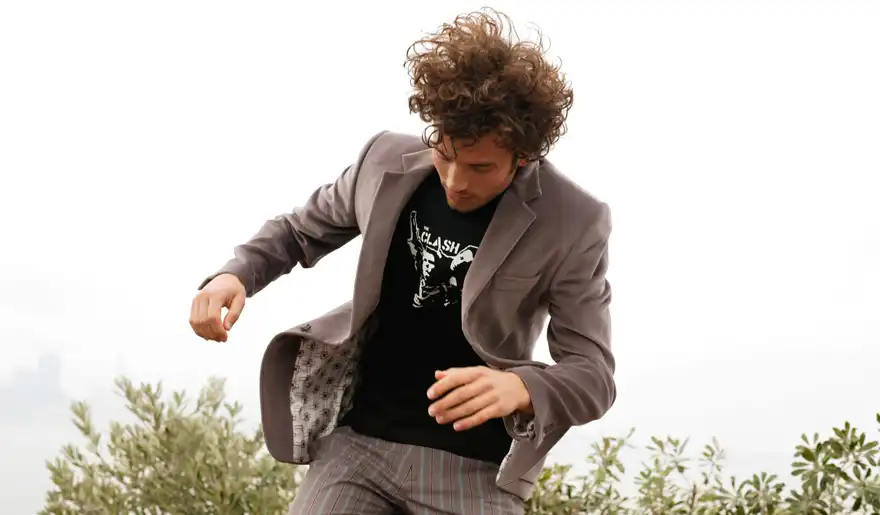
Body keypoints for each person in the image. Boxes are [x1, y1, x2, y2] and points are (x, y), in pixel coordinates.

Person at [189, 8, 615, 515]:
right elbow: (298, 231)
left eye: (480, 167)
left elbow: (593, 375)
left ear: (524, 156)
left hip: (475, 472)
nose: (455, 181)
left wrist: (521, 386)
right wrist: (234, 274)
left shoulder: (573, 221)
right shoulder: (383, 160)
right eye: (445, 154)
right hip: (358, 447)